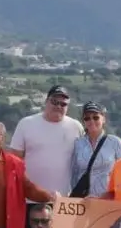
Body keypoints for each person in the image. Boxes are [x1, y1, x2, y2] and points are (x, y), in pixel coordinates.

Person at [9, 85, 84, 214]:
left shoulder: (76, 127)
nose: (58, 106)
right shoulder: (26, 124)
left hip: (63, 202)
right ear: (46, 101)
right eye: (54, 102)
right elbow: (15, 163)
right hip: (30, 200)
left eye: (63, 104)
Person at [69, 101, 121, 198]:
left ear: (103, 119)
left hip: (108, 200)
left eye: (95, 117)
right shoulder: (78, 143)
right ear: (83, 121)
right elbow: (74, 173)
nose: (91, 121)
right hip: (83, 200)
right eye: (87, 118)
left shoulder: (115, 142)